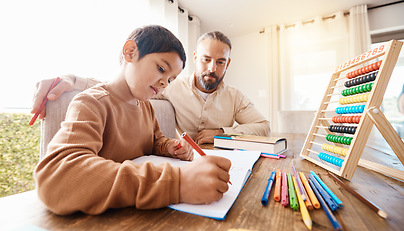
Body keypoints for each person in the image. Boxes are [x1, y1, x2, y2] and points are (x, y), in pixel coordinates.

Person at [34, 25, 231, 215]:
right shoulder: (91, 103)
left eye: (171, 79)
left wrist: (170, 146)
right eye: (161, 69)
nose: (164, 83)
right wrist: (176, 183)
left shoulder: (146, 106)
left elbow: (154, 141)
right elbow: (59, 177)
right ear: (129, 52)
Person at [31, 31, 270, 145]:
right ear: (196, 58)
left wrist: (223, 132)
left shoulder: (235, 96)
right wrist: (73, 80)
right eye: (206, 59)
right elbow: (122, 84)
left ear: (227, 64)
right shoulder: (170, 85)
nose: (212, 68)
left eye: (220, 62)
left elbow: (264, 127)